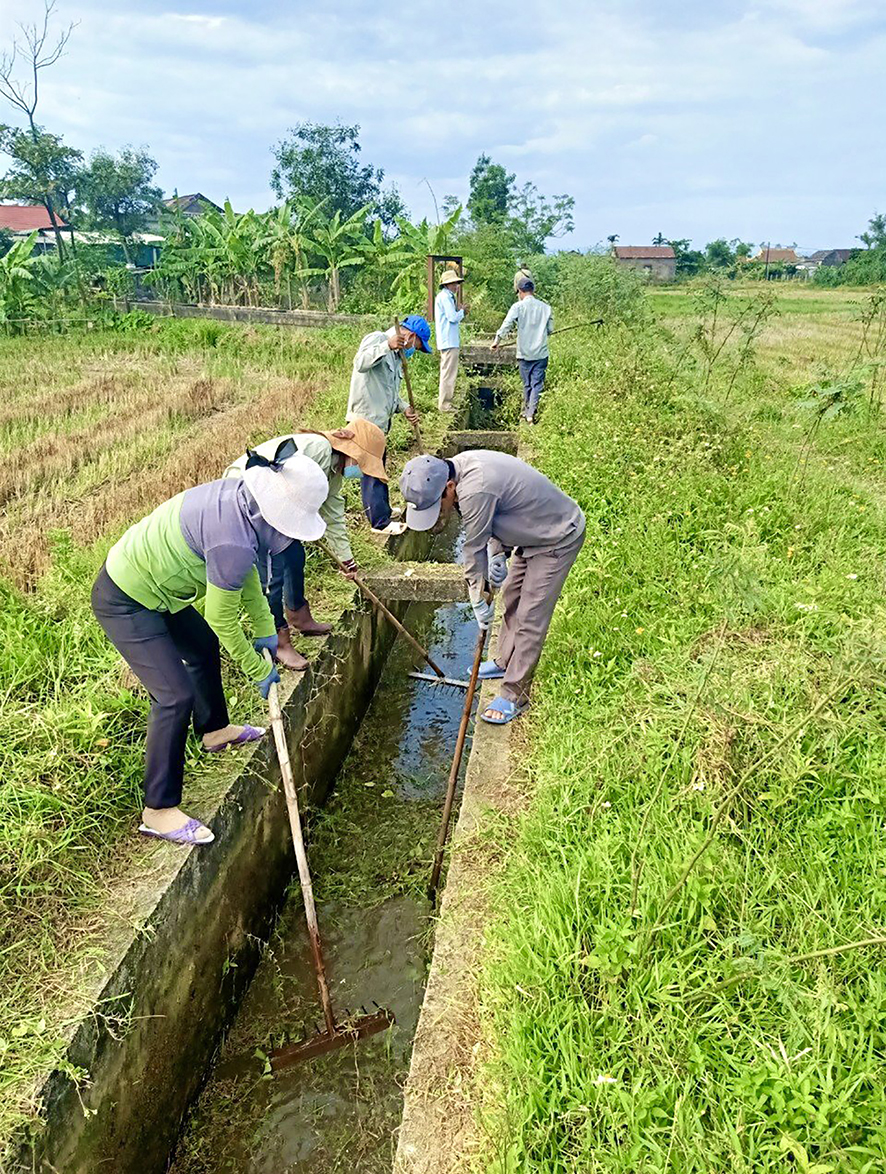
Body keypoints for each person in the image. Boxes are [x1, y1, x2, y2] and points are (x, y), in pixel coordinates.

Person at [91, 454, 329, 845]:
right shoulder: (232, 537)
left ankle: (215, 731)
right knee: (173, 696)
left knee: (201, 646)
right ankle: (158, 810)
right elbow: (223, 617)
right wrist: (257, 668)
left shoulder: (242, 506)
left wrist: (267, 630)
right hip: (125, 597)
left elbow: (248, 575)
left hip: (157, 590)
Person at [399, 450, 585, 725]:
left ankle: (515, 694)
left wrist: (477, 596)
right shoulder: (458, 471)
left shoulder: (475, 489)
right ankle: (504, 662)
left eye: (437, 506)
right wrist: (498, 552)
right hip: (530, 533)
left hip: (556, 536)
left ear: (449, 487)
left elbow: (473, 548)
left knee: (530, 615)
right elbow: (495, 518)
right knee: (511, 597)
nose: (438, 514)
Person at [224, 419, 387, 669]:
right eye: (363, 463)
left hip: (277, 501)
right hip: (249, 494)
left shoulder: (333, 469)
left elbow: (332, 513)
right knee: (273, 571)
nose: (360, 470)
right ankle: (278, 641)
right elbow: (287, 487)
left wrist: (346, 559)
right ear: (352, 451)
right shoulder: (319, 451)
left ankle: (300, 616)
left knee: (295, 556)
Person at [346, 315, 431, 536]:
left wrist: (404, 408)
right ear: (411, 336)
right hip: (366, 420)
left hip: (381, 422)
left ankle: (382, 509)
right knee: (372, 472)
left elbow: (389, 392)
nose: (414, 351)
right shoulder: (377, 339)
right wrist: (386, 345)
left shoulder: (396, 356)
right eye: (417, 345)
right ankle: (379, 523)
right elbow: (360, 363)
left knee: (379, 467)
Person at [491, 277, 553, 425]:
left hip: (524, 353)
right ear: (533, 291)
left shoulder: (517, 307)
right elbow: (550, 330)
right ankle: (531, 413)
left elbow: (506, 325)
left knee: (527, 384)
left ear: (520, 291)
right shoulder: (546, 308)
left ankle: (526, 410)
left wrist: (497, 341)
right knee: (537, 384)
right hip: (541, 353)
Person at [434, 270, 467, 412]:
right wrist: (463, 312)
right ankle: (445, 405)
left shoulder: (447, 297)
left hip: (448, 339)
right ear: (447, 284)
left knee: (448, 372)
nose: (456, 286)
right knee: (448, 373)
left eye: (456, 283)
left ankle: (446, 402)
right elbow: (452, 318)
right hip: (449, 340)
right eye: (453, 283)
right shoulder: (445, 298)